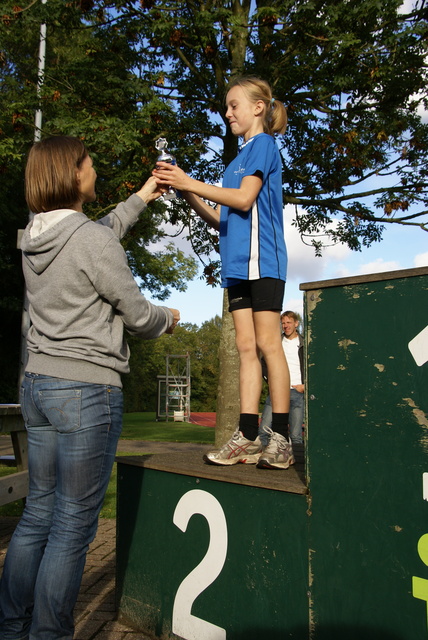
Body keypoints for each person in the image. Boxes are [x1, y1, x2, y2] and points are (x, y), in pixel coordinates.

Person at [0, 135, 180, 640]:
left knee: (38, 514)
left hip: (38, 385)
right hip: (84, 391)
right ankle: (49, 634)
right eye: (90, 162)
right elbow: (139, 316)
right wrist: (168, 318)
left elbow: (100, 233)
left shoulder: (35, 237)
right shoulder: (90, 242)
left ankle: (12, 628)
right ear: (73, 174)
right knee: (74, 524)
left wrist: (143, 196)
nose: (95, 168)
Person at [153, 76, 293, 470]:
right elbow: (223, 218)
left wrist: (189, 180)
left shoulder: (264, 145)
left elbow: (246, 199)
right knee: (245, 349)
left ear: (258, 108)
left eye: (234, 106)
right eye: (227, 107)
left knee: (268, 346)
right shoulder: (235, 162)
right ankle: (247, 437)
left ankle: (280, 437)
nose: (227, 112)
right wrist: (187, 191)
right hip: (235, 267)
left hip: (263, 262)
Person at [259, 311, 305, 446]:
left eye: (289, 322)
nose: (286, 326)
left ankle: (295, 461)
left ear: (296, 323)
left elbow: (312, 366)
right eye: (283, 323)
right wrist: (271, 382)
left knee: (295, 435)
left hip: (297, 392)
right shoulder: (276, 343)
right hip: (277, 391)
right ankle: (262, 456)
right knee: (264, 430)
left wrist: (305, 386)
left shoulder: (305, 344)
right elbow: (264, 363)